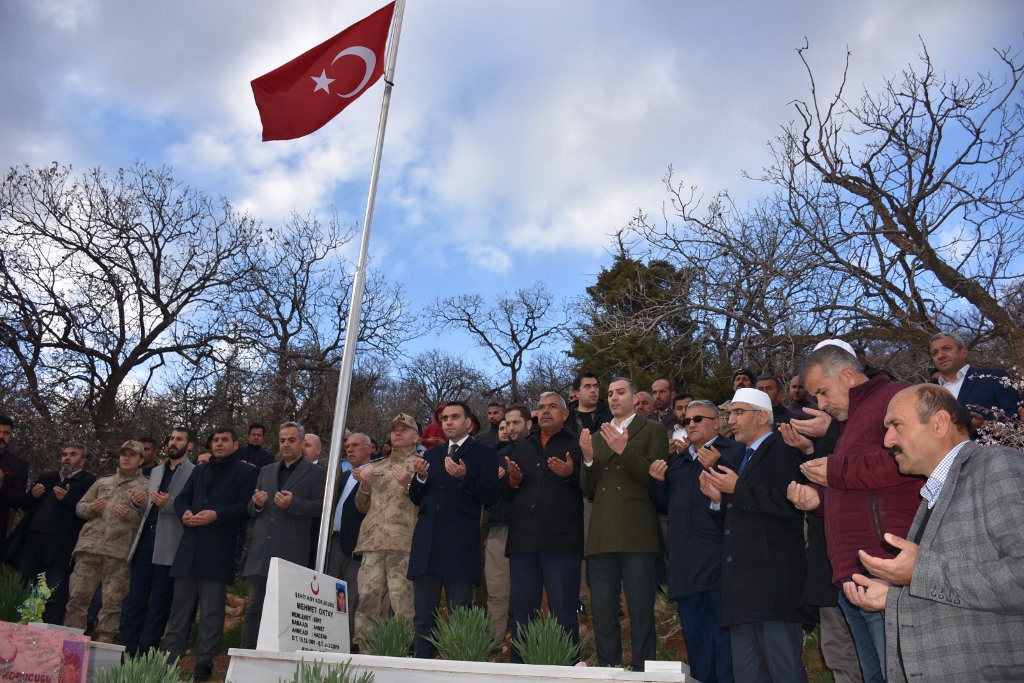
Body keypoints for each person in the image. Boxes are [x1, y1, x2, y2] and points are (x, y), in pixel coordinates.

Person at [844, 384, 1024, 681]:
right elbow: (955, 589)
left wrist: (919, 573)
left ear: (939, 424)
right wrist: (895, 597)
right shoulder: (932, 494)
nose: (888, 440)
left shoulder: (998, 466)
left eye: (896, 425)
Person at [785, 343, 922, 683]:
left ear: (847, 375)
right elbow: (856, 491)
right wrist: (817, 500)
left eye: (822, 392)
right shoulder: (851, 422)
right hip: (851, 571)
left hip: (886, 566)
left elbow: (906, 460)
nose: (821, 404)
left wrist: (835, 471)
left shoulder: (896, 400)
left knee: (899, 673)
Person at [700, 388, 806, 683]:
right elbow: (739, 520)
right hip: (741, 591)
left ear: (762, 416)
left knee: (783, 670)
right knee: (747, 674)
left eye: (738, 412)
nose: (730, 419)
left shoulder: (784, 449)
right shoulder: (740, 458)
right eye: (729, 413)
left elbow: (792, 504)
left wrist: (739, 490)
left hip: (773, 586)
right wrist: (719, 501)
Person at [649, 400, 742, 683]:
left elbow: (742, 498)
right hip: (684, 565)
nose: (691, 424)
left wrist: (719, 464)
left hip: (719, 563)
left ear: (716, 422)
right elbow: (666, 506)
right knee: (697, 642)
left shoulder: (734, 452)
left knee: (724, 640)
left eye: (698, 418)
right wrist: (657, 482)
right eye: (687, 420)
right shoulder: (677, 462)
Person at [579, 377, 667, 672]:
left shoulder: (653, 429)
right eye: (610, 393)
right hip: (602, 533)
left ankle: (644, 671)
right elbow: (586, 488)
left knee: (641, 610)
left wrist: (623, 451)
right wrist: (589, 460)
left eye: (620, 392)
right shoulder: (595, 435)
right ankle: (608, 669)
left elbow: (655, 479)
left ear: (634, 397)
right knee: (603, 611)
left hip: (636, 531)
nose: (613, 398)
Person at [162, 427, 258, 683]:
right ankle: (169, 658)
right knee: (179, 610)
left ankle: (204, 662)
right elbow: (182, 498)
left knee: (212, 612)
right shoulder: (199, 470)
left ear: (236, 445)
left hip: (218, 549)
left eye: (225, 440)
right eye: (216, 440)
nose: (219, 444)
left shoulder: (247, 472)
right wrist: (184, 513)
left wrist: (217, 515)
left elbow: (244, 508)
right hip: (189, 548)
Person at [407, 401, 499, 659]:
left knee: (460, 616)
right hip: (427, 546)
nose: (448, 422)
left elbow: (492, 494)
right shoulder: (432, 455)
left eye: (455, 417)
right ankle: (422, 670)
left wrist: (463, 476)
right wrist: (421, 479)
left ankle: (458, 669)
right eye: (444, 418)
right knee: (423, 618)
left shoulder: (483, 453)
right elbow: (416, 498)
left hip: (460, 547)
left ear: (467, 423)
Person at [504, 392, 583, 663]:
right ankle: (520, 672)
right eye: (541, 407)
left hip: (561, 543)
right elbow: (508, 493)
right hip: (523, 543)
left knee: (563, 611)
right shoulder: (523, 446)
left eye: (552, 407)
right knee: (523, 612)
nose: (545, 411)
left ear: (565, 414)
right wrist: (512, 481)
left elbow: (591, 486)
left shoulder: (577, 444)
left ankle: (568, 670)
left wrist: (571, 474)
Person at [240, 422, 326, 649]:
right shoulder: (266, 470)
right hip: (261, 553)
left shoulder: (317, 473)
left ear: (302, 443)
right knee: (253, 610)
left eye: (291, 440)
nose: (286, 444)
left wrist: (294, 504)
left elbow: (322, 509)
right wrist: (256, 505)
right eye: (282, 440)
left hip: (292, 553)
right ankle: (246, 659)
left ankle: (282, 662)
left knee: (286, 612)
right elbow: (251, 510)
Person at [121, 428, 196, 656]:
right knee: (135, 600)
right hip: (145, 540)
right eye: (172, 438)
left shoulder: (196, 473)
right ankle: (126, 651)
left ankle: (146, 654)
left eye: (179, 439)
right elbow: (150, 508)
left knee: (159, 604)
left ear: (190, 445)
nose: (173, 442)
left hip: (171, 545)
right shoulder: (155, 471)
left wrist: (171, 504)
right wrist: (138, 503)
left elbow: (192, 508)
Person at [64, 441, 148, 643]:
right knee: (77, 597)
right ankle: (71, 642)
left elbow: (149, 521)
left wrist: (131, 515)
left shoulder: (147, 486)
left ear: (141, 460)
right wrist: (92, 507)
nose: (126, 458)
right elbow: (80, 508)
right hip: (90, 547)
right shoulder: (103, 482)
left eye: (132, 455)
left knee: (112, 601)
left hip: (119, 551)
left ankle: (105, 644)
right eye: (123, 454)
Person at [350, 413, 422, 650]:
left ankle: (400, 653)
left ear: (416, 436)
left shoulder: (421, 464)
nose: (398, 432)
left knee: (402, 603)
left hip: (403, 544)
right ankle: (366, 654)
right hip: (372, 543)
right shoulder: (375, 466)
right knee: (368, 599)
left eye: (404, 429)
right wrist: (365, 485)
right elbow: (361, 506)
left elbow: (427, 503)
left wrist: (411, 482)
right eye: (394, 429)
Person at [10, 442, 96, 624]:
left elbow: (85, 513)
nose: (67, 457)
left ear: (83, 461)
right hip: (32, 543)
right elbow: (26, 505)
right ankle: (17, 630)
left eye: (73, 454)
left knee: (55, 593)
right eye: (65, 454)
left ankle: (49, 636)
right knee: (23, 588)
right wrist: (32, 495)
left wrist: (67, 499)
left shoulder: (88, 482)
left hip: (61, 546)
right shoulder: (48, 477)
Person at [325, 432, 371, 650]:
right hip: (333, 545)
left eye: (355, 445)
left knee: (352, 599)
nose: (349, 449)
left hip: (357, 547)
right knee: (334, 597)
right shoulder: (342, 477)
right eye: (347, 446)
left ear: (370, 449)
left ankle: (349, 647)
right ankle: (331, 643)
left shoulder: (376, 474)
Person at [928, 331, 1020, 427]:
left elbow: (1015, 416)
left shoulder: (994, 378)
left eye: (947, 348)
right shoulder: (930, 392)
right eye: (935, 353)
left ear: (964, 352)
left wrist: (986, 426)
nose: (940, 355)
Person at [0, 415, 29, 559]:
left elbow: (20, 500)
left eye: (6, 433)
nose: (1, 436)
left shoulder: (18, 464)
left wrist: (2, 486)